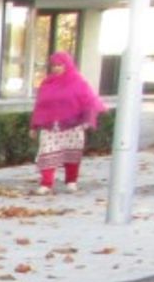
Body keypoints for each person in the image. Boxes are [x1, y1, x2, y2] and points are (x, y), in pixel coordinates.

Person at [29, 51, 107, 193]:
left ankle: (71, 181)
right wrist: (34, 126)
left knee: (71, 154)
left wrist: (87, 119)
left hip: (73, 125)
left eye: (60, 65)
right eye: (54, 65)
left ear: (67, 65)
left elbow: (89, 101)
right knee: (47, 152)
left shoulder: (78, 82)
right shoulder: (47, 83)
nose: (56, 68)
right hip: (50, 126)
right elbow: (40, 105)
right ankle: (46, 184)